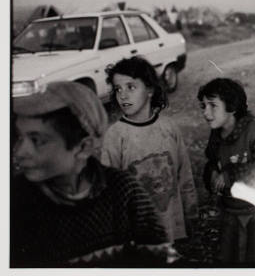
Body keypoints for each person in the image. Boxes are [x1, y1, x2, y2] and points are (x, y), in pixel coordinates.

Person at [11, 81, 171, 267]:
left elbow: (159, 258)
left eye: (37, 140)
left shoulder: (124, 191)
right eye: (18, 137)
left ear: (83, 147)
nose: (19, 152)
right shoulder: (16, 201)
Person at [101, 56, 199, 245]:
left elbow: (184, 176)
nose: (123, 95)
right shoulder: (116, 136)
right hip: (136, 234)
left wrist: (191, 214)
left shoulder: (169, 128)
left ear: (150, 90)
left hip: (170, 227)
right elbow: (109, 192)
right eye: (118, 89)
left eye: (131, 87)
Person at [197, 78, 255, 265]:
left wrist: (230, 174)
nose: (206, 112)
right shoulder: (217, 134)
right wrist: (213, 172)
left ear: (231, 107)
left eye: (212, 106)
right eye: (203, 106)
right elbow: (213, 160)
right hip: (230, 210)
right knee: (229, 256)